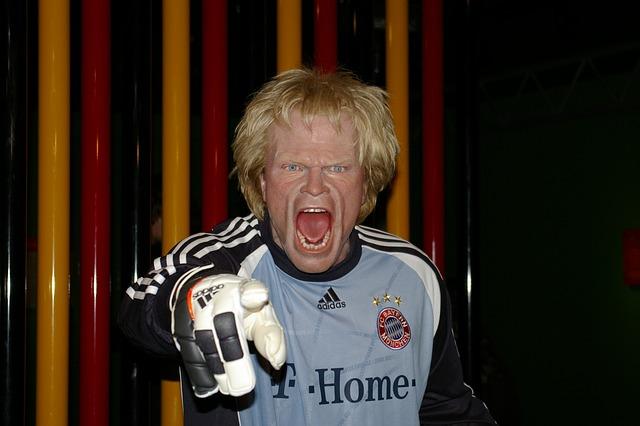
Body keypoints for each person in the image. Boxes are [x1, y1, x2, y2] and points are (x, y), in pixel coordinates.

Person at [119, 68, 495, 425]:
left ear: (366, 183)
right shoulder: (225, 260)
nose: (315, 186)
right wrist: (193, 296)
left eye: (338, 167)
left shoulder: (412, 274)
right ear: (262, 181)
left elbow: (446, 410)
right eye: (293, 166)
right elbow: (142, 301)